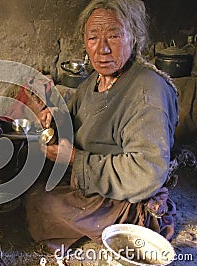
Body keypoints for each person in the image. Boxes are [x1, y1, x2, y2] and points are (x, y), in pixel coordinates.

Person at [24, 0, 179, 252]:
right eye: (93, 37)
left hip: (125, 194)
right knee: (32, 186)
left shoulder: (147, 91)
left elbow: (146, 171)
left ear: (135, 37)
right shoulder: (96, 80)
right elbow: (77, 121)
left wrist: (75, 159)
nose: (102, 49)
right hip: (92, 179)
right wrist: (55, 118)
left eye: (114, 36)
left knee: (44, 205)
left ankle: (127, 224)